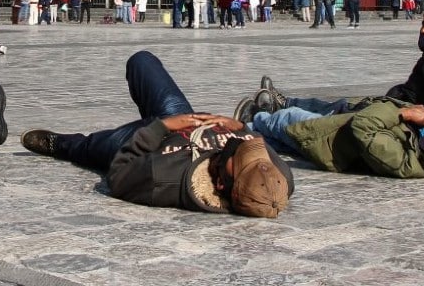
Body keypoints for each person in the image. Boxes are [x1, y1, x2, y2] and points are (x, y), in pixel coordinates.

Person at [20, 51, 293, 217]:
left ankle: (62, 144)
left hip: (149, 143)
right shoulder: (278, 182)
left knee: (91, 148)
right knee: (141, 61)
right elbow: (255, 144)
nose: (239, 145)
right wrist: (238, 128)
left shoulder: (162, 179)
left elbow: (118, 174)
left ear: (221, 184)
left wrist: (162, 128)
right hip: (187, 119)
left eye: (237, 154)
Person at [244, 95, 424, 183]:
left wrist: (405, 113)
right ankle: (257, 130)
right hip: (349, 117)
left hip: (328, 137)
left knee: (284, 121)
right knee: (277, 142)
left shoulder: (403, 162)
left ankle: (251, 121)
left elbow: (364, 126)